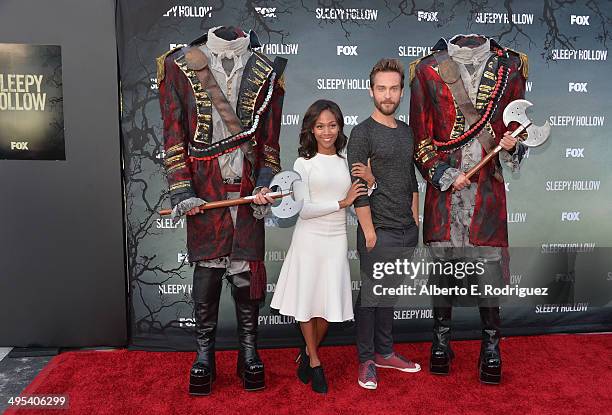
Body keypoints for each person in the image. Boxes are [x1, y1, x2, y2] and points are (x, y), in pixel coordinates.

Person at [157, 26, 286, 395]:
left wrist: (265, 184)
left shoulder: (267, 70)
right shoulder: (179, 65)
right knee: (209, 271)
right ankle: (204, 356)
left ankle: (249, 354)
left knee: (245, 273)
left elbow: (270, 145)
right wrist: (182, 190)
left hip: (247, 194)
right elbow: (173, 138)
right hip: (206, 192)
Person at [409, 34, 529, 384]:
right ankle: (441, 343)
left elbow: (516, 127)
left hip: (487, 191)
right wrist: (444, 173)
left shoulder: (510, 67)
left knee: (488, 272)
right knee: (443, 270)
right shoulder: (428, 69)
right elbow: (420, 137)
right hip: (445, 193)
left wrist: (511, 143)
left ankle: (491, 347)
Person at [271, 99, 375, 394]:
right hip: (309, 238)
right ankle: (315, 360)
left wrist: (372, 182)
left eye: (332, 125)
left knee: (327, 307)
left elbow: (364, 196)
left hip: (335, 240)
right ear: (311, 130)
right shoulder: (302, 164)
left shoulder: (347, 161)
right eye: (320, 126)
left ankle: (306, 350)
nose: (327, 131)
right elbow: (303, 209)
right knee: (308, 301)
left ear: (340, 127)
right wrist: (342, 202)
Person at [347, 58, 422, 391]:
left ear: (402, 92)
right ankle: (366, 360)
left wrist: (415, 221)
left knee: (388, 295)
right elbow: (358, 189)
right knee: (371, 298)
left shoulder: (407, 132)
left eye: (393, 88)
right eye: (382, 88)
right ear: (371, 91)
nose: (387, 95)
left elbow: (412, 181)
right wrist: (369, 232)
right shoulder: (361, 133)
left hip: (406, 229)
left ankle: (385, 352)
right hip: (377, 231)